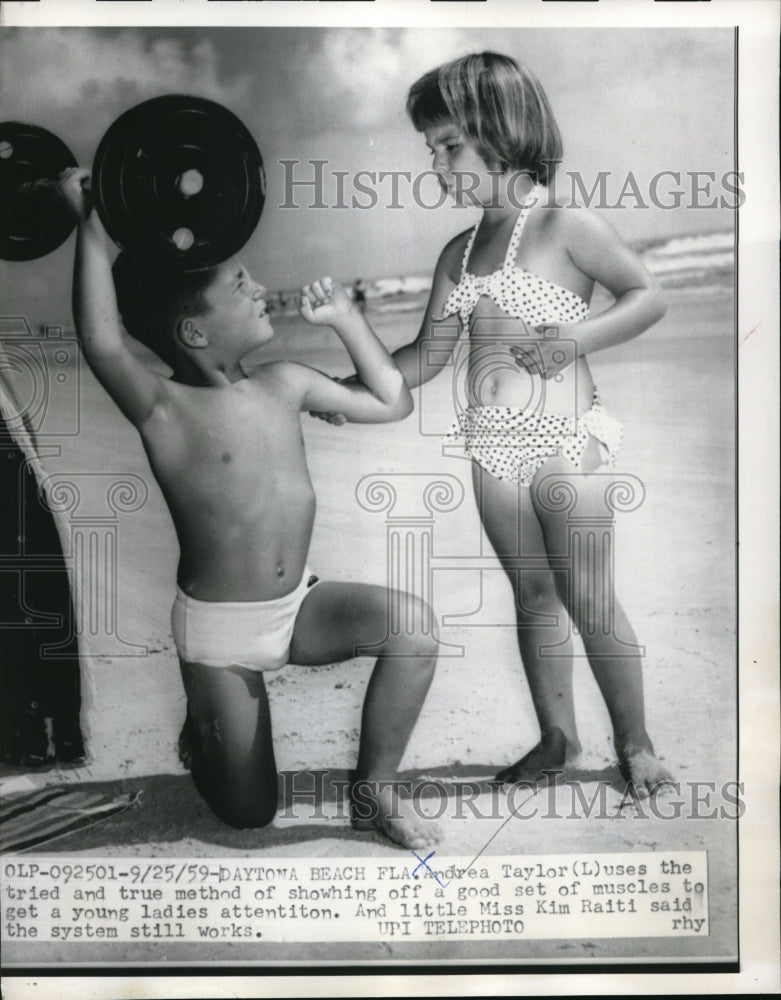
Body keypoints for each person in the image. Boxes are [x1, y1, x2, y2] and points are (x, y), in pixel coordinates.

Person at [318, 52, 672, 797]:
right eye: (430, 150)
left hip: (565, 442)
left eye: (448, 145)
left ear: (502, 134)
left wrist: (574, 339)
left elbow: (645, 295)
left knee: (590, 598)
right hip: (492, 448)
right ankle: (557, 737)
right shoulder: (458, 253)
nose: (437, 164)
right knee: (532, 599)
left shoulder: (563, 224)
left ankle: (635, 744)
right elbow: (423, 359)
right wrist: (341, 387)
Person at [59, 168, 440, 848]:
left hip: (299, 608)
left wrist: (349, 322)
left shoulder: (285, 382)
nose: (261, 289)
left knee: (413, 627)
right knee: (246, 814)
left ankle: (374, 788)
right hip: (222, 639)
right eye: (239, 287)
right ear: (194, 333)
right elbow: (101, 340)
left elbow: (390, 401)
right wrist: (88, 218)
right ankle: (206, 719)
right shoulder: (164, 410)